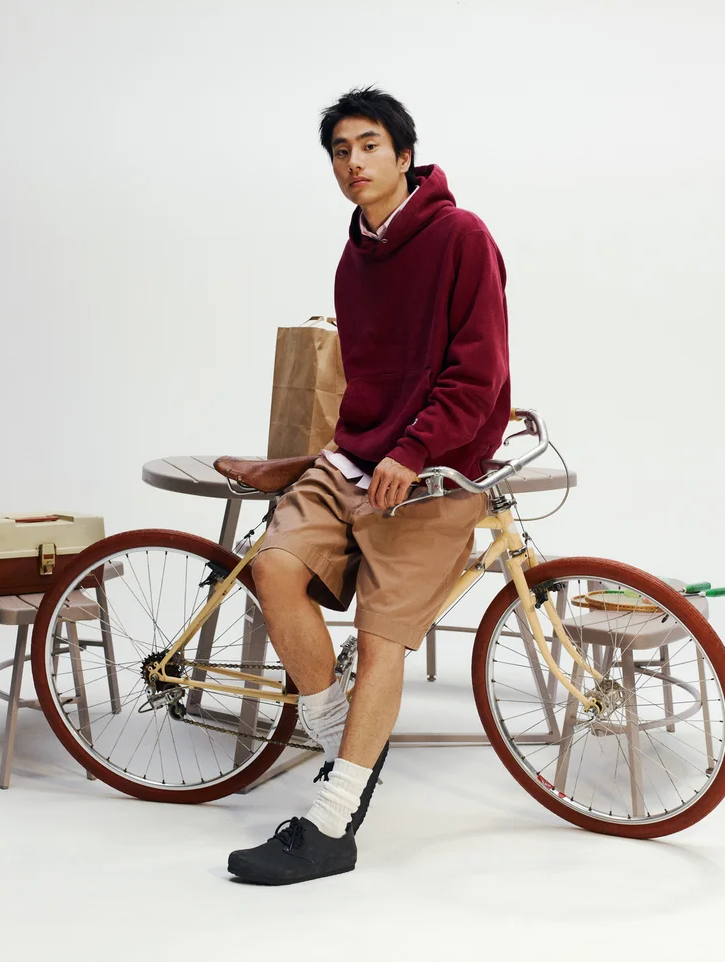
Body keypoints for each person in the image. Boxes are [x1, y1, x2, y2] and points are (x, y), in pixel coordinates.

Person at [227, 87, 512, 885]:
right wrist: (336, 455)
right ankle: (343, 743)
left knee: (383, 635)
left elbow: (479, 375)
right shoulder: (354, 257)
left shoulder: (462, 237)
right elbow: (367, 385)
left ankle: (332, 825)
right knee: (272, 569)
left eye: (369, 145)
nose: (353, 162)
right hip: (356, 459)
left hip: (436, 473)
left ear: (404, 155)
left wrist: (413, 450)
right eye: (340, 151)